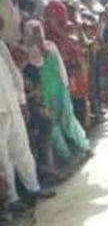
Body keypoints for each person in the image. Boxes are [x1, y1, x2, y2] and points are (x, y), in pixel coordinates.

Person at [23, 20, 90, 163]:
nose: (37, 34)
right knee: (53, 124)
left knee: (68, 119)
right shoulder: (26, 51)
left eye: (38, 30)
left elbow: (60, 66)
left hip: (59, 89)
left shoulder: (50, 45)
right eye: (33, 31)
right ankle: (66, 155)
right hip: (44, 93)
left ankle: (83, 146)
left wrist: (66, 84)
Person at [0, 36, 51, 210]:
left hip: (12, 104)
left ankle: (33, 188)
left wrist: (22, 101)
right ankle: (12, 199)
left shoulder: (1, 44)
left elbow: (14, 71)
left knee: (22, 149)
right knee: (3, 158)